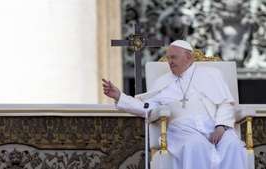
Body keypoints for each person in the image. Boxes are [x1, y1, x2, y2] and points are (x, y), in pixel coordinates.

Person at [102, 40, 248, 169]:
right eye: (168, 58)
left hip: (214, 126)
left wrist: (221, 126)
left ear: (188, 57)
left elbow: (225, 103)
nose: (170, 61)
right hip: (182, 130)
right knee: (196, 145)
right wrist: (120, 96)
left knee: (233, 145)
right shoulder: (163, 82)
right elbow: (147, 107)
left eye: (174, 57)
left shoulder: (211, 74)